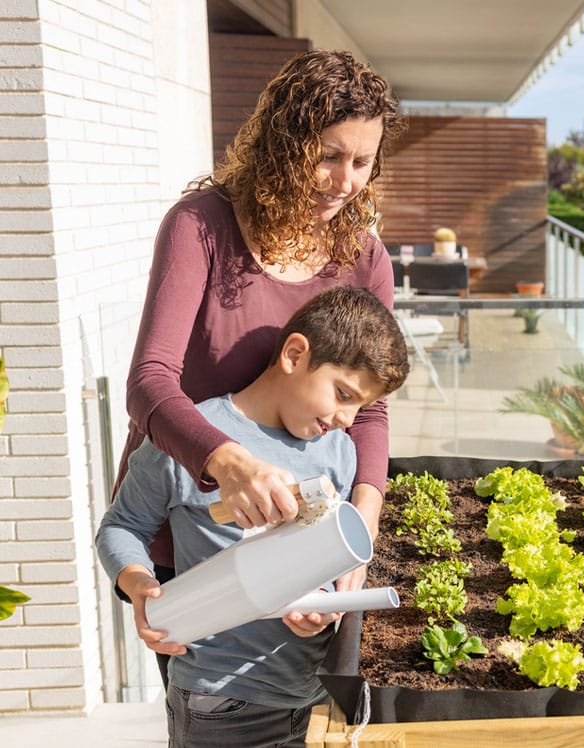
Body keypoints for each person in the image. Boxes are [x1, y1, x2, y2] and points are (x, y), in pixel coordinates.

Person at [116, 49, 406, 685]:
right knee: (212, 703)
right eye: (329, 155)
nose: (346, 180)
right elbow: (149, 383)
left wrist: (358, 535)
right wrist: (230, 463)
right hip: (196, 526)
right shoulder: (202, 226)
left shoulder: (364, 257)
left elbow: (372, 411)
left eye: (362, 162)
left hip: (305, 540)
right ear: (285, 141)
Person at [97, 286, 410, 748]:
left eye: (360, 407)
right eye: (342, 394)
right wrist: (139, 583)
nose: (348, 418)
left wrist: (321, 603)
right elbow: (121, 526)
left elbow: (324, 554)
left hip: (314, 699)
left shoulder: (340, 453)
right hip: (221, 702)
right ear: (295, 354)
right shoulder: (193, 439)